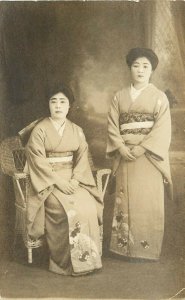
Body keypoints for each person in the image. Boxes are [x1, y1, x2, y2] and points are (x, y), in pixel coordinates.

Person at [24, 85, 103, 276]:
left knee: (88, 206)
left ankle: (88, 260)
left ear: (69, 106)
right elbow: (37, 161)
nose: (58, 106)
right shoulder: (40, 130)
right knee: (64, 210)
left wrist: (76, 180)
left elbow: (83, 157)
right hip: (49, 183)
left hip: (74, 180)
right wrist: (59, 182)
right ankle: (64, 262)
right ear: (48, 105)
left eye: (63, 102)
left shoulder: (77, 130)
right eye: (54, 101)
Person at [106, 47, 172, 261]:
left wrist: (143, 147)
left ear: (152, 70)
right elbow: (112, 126)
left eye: (146, 66)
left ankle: (146, 250)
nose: (140, 70)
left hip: (148, 157)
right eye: (136, 66)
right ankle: (123, 248)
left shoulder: (160, 97)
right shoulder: (119, 97)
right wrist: (121, 147)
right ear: (129, 68)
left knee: (147, 201)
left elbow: (162, 128)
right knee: (125, 201)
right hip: (125, 155)